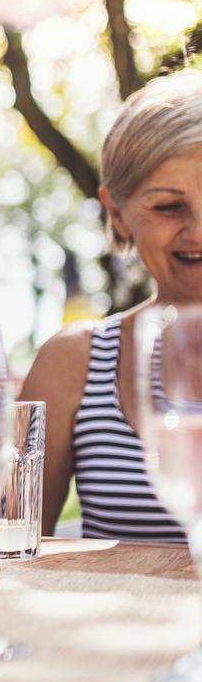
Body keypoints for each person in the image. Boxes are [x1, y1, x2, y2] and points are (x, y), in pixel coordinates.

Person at [20, 68, 201, 543]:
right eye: (169, 206)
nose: (198, 231)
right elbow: (3, 547)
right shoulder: (73, 363)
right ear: (117, 214)